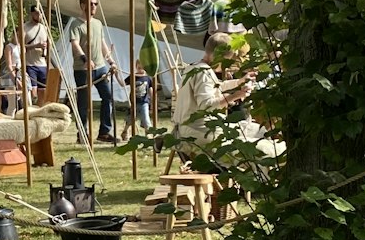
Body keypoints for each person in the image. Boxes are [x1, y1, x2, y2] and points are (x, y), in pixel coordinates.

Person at [172, 33, 283, 163]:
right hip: (198, 132)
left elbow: (214, 87)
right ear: (219, 56)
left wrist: (238, 82)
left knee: (257, 129)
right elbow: (206, 105)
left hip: (191, 128)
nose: (227, 64)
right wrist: (236, 96)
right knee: (262, 146)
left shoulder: (194, 68)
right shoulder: (202, 73)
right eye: (228, 59)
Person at [70, 0, 122, 143]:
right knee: (84, 102)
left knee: (108, 97)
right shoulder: (76, 24)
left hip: (100, 67)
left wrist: (111, 61)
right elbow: (75, 44)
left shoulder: (98, 23)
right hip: (82, 68)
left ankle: (104, 132)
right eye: (91, 4)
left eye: (95, 4)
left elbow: (102, 44)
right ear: (82, 5)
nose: (93, 6)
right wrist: (85, 58)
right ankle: (82, 133)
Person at [121, 59, 151, 138]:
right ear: (136, 66)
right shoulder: (132, 76)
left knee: (146, 119)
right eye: (139, 66)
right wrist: (117, 75)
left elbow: (151, 88)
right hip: (134, 102)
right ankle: (125, 131)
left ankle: (148, 134)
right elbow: (122, 84)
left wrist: (153, 99)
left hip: (144, 102)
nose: (140, 68)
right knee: (130, 119)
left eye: (142, 66)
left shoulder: (148, 77)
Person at [22, 5, 48, 95]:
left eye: (40, 14)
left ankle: (40, 108)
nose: (39, 16)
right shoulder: (25, 27)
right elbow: (21, 46)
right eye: (37, 14)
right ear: (32, 14)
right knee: (33, 92)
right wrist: (36, 45)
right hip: (30, 64)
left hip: (42, 64)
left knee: (43, 92)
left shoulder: (44, 28)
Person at [0, 34, 22, 112]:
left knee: (27, 101)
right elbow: (9, 65)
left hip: (20, 72)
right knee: (13, 104)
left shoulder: (21, 47)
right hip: (10, 74)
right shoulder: (9, 47)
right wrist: (15, 79)